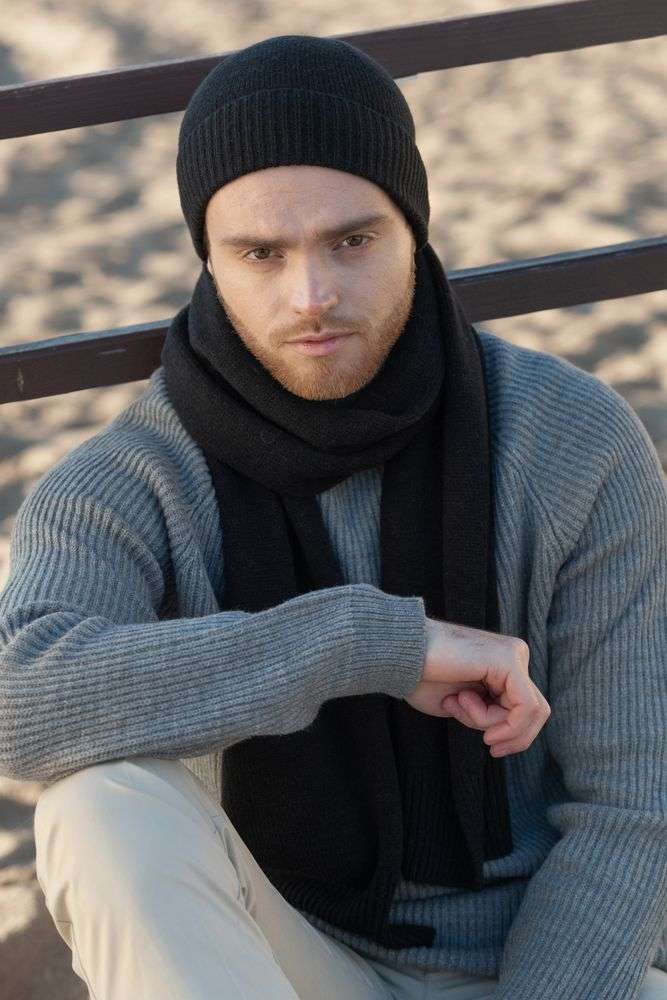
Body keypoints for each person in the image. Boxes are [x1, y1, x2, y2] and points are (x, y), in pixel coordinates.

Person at [0, 32, 665, 1000]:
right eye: (260, 253)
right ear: (209, 259)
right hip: (278, 961)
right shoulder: (134, 477)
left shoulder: (570, 437)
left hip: (546, 965)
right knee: (99, 803)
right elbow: (16, 703)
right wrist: (369, 643)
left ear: (413, 230)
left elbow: (635, 806)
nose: (310, 297)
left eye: (352, 241)